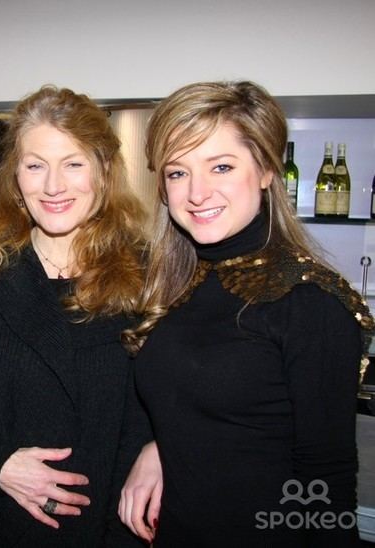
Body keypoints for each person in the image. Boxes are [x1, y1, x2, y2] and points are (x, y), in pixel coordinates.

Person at [118, 80, 374, 547]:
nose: (197, 192)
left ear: (265, 170)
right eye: (177, 173)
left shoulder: (309, 301)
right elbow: (202, 409)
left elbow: (326, 483)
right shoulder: (176, 284)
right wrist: (158, 446)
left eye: (221, 166)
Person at [0, 85, 147, 547]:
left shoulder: (148, 277)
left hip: (105, 526)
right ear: (15, 178)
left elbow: (168, 408)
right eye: (36, 165)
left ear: (103, 171)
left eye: (73, 164)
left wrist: (158, 449)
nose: (53, 186)